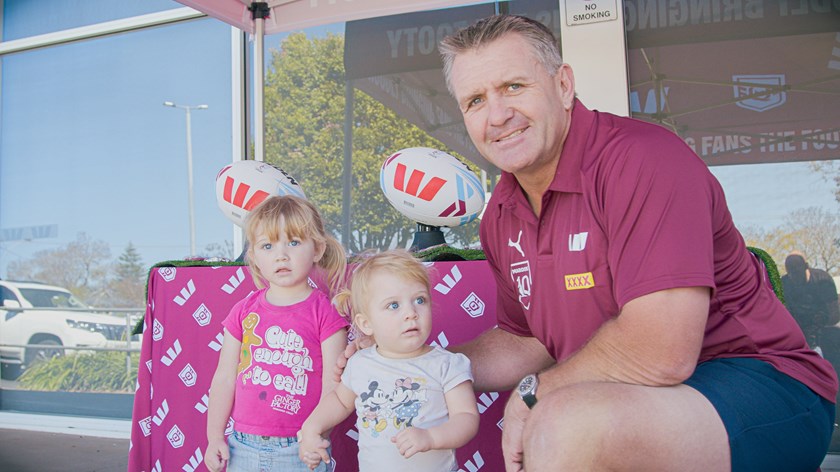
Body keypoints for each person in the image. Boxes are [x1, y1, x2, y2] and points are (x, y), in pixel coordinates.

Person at [430, 14, 838, 472]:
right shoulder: (501, 212)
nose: (497, 115)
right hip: (636, 396)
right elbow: (525, 341)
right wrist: (422, 368)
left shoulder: (643, 159)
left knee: (563, 421)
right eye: (475, 100)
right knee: (564, 415)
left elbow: (660, 353)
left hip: (761, 383)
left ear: (563, 85)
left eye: (513, 87)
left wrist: (535, 392)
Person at [204, 195, 349, 472]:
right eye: (268, 246)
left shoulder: (326, 315)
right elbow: (224, 377)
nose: (281, 255)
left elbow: (335, 386)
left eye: (293, 242)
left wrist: (317, 436)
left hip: (301, 449)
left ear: (317, 249)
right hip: (241, 447)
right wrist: (214, 437)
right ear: (255, 258)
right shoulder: (243, 311)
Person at [299, 250, 479, 471]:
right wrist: (311, 427)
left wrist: (432, 437)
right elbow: (339, 400)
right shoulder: (360, 363)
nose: (411, 313)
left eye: (419, 300)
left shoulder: (447, 364)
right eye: (393, 305)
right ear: (366, 324)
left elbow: (466, 417)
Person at [782, 252, 840, 349]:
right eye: (790, 272)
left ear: (806, 266)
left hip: (823, 328)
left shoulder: (823, 279)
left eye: (796, 271)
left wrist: (822, 321)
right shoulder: (783, 284)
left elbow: (835, 313)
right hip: (797, 330)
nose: (793, 276)